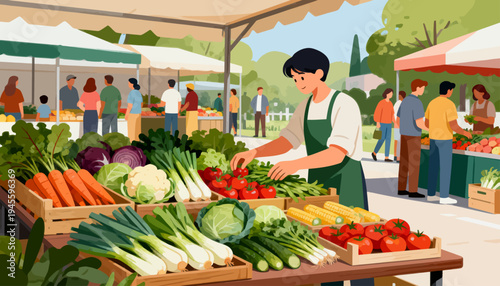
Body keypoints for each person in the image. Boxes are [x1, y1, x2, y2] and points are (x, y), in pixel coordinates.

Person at [231, 48, 368, 210]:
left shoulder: (344, 103)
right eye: (295, 79)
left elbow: (337, 154)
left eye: (302, 77)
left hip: (346, 184)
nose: (299, 83)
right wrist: (254, 153)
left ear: (319, 73)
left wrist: (294, 165)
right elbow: (287, 140)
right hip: (317, 182)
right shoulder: (305, 106)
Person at [425, 81, 471, 205]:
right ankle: (444, 197)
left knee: (433, 167)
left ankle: (431, 194)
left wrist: (436, 128)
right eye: (452, 90)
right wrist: (465, 133)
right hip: (444, 139)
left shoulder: (432, 103)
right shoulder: (449, 104)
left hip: (433, 139)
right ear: (449, 90)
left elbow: (427, 124)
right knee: (445, 168)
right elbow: (454, 125)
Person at [397, 79, 429, 198]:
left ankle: (401, 188)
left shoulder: (404, 101)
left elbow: (397, 119)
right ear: (418, 87)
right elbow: (419, 122)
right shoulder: (417, 102)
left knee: (404, 162)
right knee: (414, 164)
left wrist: (404, 128)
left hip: (403, 134)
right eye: (423, 88)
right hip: (414, 136)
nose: (423, 90)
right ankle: (412, 191)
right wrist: (430, 130)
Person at [372, 88, 394, 162]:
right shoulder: (381, 102)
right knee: (381, 139)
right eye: (390, 93)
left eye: (392, 93)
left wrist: (395, 122)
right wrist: (377, 122)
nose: (391, 94)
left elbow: (392, 114)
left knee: (388, 140)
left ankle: (386, 157)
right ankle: (374, 152)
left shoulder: (390, 103)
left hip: (389, 124)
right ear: (387, 94)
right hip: (382, 123)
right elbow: (377, 112)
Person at [393, 91, 406, 162]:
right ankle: (397, 156)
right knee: (398, 140)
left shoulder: (398, 103)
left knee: (397, 140)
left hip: (397, 124)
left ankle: (396, 155)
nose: (398, 96)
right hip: (399, 124)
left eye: (399, 95)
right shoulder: (400, 103)